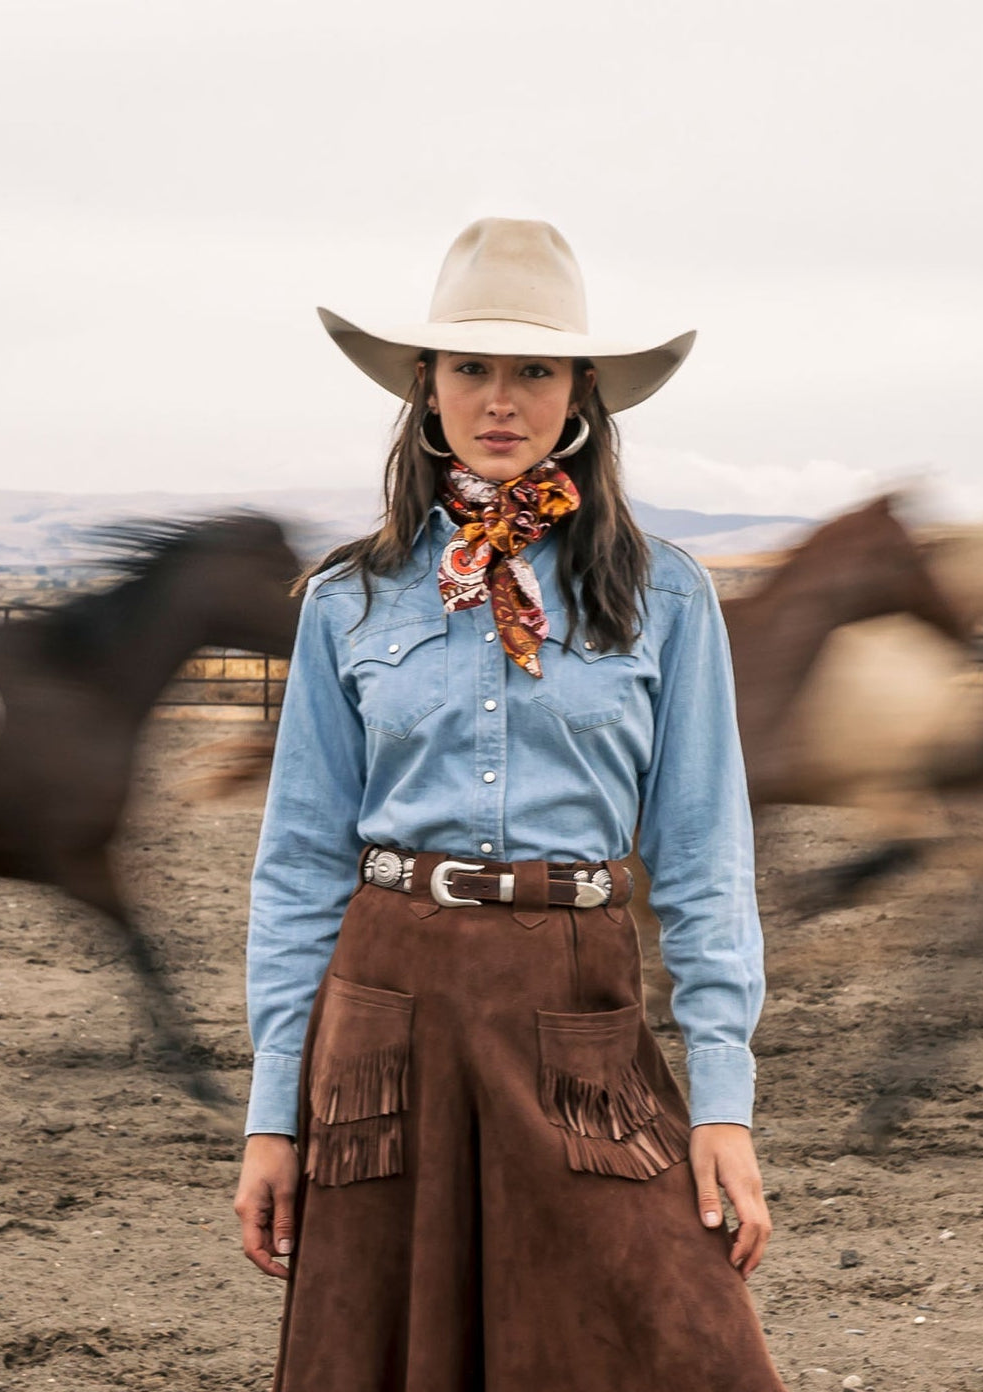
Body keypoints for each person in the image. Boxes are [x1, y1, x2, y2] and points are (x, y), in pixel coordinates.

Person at [233, 218, 787, 1391]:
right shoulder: (348, 601)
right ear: (423, 389)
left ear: (580, 389)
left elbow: (700, 859)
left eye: (532, 369)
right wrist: (270, 1118)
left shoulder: (665, 597)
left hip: (574, 1003)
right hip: (388, 1007)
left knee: (686, 1340)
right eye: (469, 367)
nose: (500, 398)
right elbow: (297, 867)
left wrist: (722, 1106)